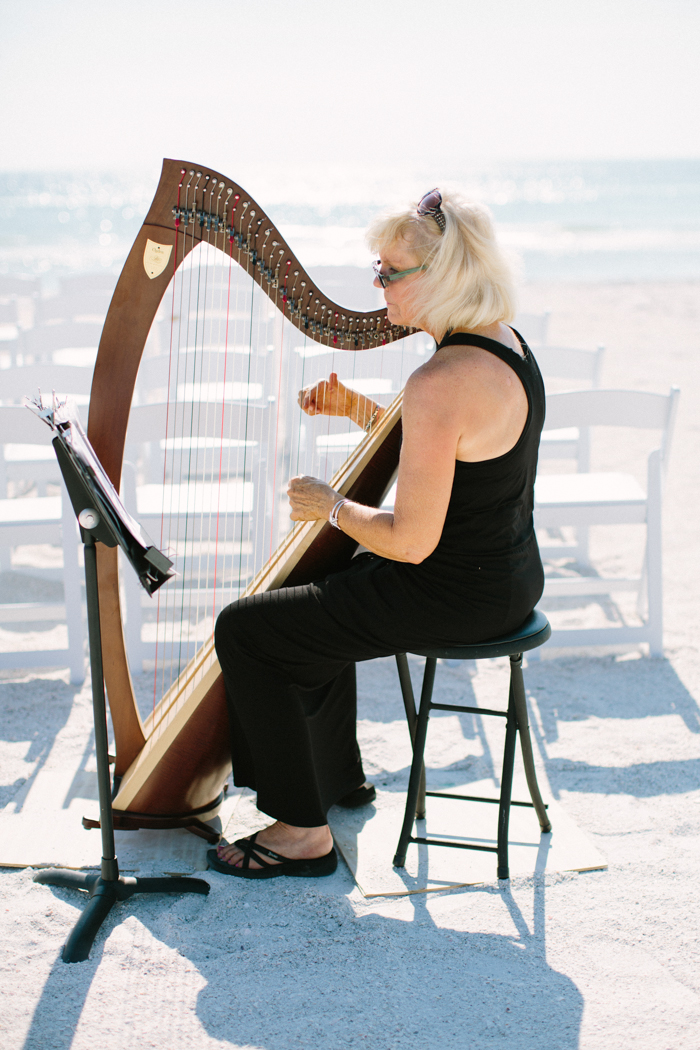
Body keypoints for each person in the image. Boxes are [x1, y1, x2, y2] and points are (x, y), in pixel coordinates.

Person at [208, 189, 545, 879]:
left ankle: (302, 832)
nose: (376, 283)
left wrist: (330, 506)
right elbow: (457, 464)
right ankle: (334, 782)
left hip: (450, 590)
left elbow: (411, 540)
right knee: (322, 593)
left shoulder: (439, 379)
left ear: (443, 276)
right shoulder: (504, 345)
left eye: (391, 271)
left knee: (247, 630)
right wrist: (359, 410)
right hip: (506, 579)